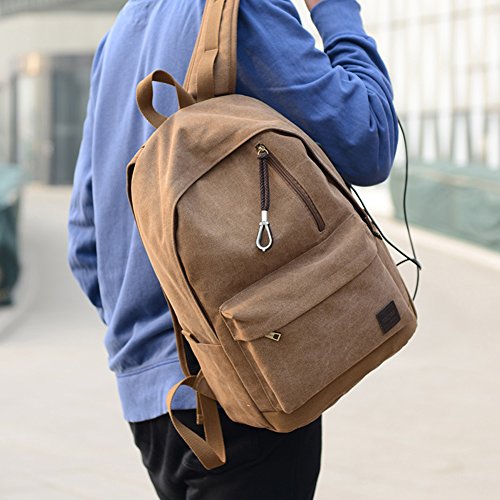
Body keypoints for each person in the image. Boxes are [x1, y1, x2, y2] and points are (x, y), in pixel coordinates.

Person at [68, 0, 398, 498]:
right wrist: (335, 10)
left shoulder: (117, 37)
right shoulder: (243, 10)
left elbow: (84, 241)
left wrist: (152, 345)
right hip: (247, 388)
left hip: (150, 407)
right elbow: (367, 138)